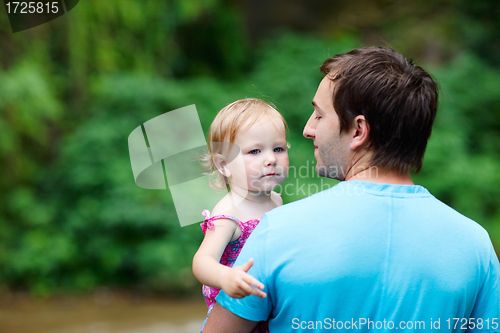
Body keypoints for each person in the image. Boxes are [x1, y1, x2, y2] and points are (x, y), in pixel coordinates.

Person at [202, 47, 500, 332]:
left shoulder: (277, 232)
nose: (307, 129)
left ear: (358, 130)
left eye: (319, 114)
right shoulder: (476, 247)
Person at [193, 98, 290, 332]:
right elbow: (202, 262)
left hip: (270, 305)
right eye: (254, 151)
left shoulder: (276, 200)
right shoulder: (229, 214)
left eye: (278, 148)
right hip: (236, 311)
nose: (271, 159)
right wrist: (226, 277)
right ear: (224, 165)